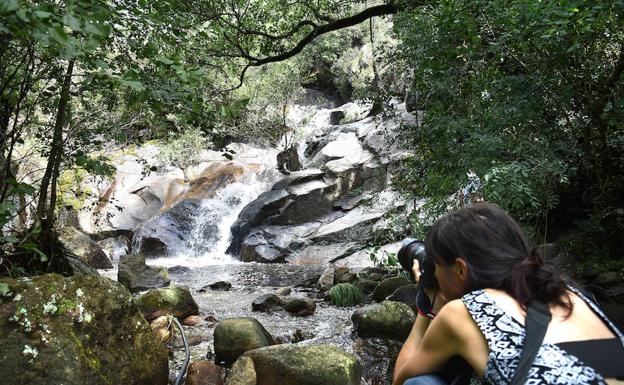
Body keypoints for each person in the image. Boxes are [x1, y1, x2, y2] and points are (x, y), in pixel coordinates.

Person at [393, 203, 624, 385]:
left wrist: (427, 301)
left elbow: (401, 379)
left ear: (460, 269)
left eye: (436, 266)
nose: (435, 274)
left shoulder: (460, 313)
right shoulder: (566, 291)